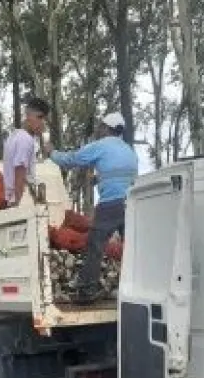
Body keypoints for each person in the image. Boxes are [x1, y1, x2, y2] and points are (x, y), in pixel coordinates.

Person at [44, 112, 139, 302]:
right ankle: (137, 289)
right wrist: (99, 179)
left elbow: (70, 160)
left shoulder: (101, 146)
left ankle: (87, 290)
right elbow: (123, 175)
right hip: (132, 203)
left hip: (110, 204)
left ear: (106, 128)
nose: (98, 129)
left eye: (100, 126)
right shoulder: (129, 151)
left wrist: (51, 152)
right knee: (133, 248)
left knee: (95, 246)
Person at [1, 97, 49, 208]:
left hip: (13, 199)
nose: (42, 123)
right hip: (22, 202)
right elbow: (19, 172)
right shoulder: (25, 140)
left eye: (44, 119)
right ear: (28, 115)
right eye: (39, 117)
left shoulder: (14, 136)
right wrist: (17, 204)